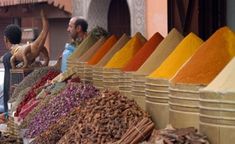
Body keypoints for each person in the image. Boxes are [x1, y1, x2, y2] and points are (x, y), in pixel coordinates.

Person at [2, 24, 22, 112]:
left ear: (6, 39)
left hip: (11, 98)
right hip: (22, 97)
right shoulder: (24, 55)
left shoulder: (8, 57)